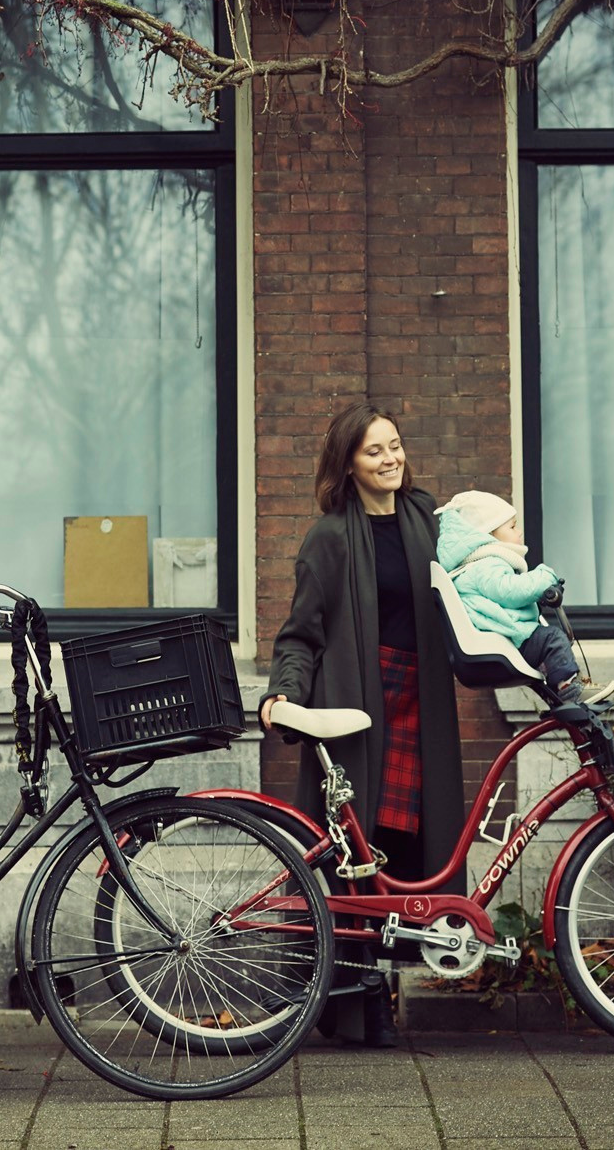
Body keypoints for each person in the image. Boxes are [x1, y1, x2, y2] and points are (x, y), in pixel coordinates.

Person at [260, 402, 464, 1048]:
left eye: (396, 445)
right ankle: (352, 999)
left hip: (418, 699)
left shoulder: (427, 520)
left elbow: (478, 579)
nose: (390, 458)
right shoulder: (329, 535)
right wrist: (284, 693)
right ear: (348, 462)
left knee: (405, 849)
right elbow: (302, 630)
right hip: (356, 701)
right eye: (375, 450)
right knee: (353, 850)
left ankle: (381, 988)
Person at [434, 490, 614, 707]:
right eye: (512, 527)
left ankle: (559, 694)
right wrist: (544, 578)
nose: (519, 532)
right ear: (488, 535)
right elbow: (510, 591)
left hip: (503, 637)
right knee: (553, 640)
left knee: (547, 641)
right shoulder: (485, 565)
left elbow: (500, 600)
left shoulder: (474, 567)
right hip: (507, 640)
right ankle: (569, 690)